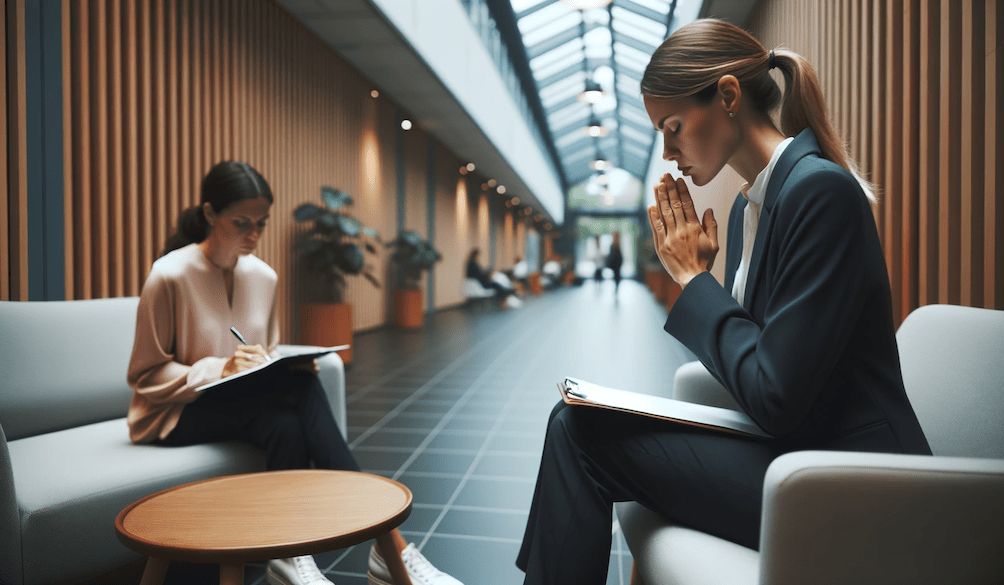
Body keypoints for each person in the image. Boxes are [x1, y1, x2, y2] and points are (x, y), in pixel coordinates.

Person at [516, 19, 931, 585]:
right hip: (793, 453)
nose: (667, 153)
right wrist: (704, 281)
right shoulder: (748, 208)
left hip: (855, 480)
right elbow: (762, 367)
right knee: (577, 422)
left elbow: (775, 395)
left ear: (729, 96)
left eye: (674, 127)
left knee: (578, 434)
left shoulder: (820, 192)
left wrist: (694, 281)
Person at [127, 161, 463, 585]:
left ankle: (289, 558)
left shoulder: (262, 276)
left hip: (242, 403)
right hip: (174, 413)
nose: (253, 235)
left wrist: (265, 367)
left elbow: (266, 353)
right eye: (241, 223)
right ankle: (390, 547)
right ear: (210, 214)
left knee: (286, 424)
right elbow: (146, 375)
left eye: (261, 224)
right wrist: (219, 367)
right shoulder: (170, 274)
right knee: (302, 388)